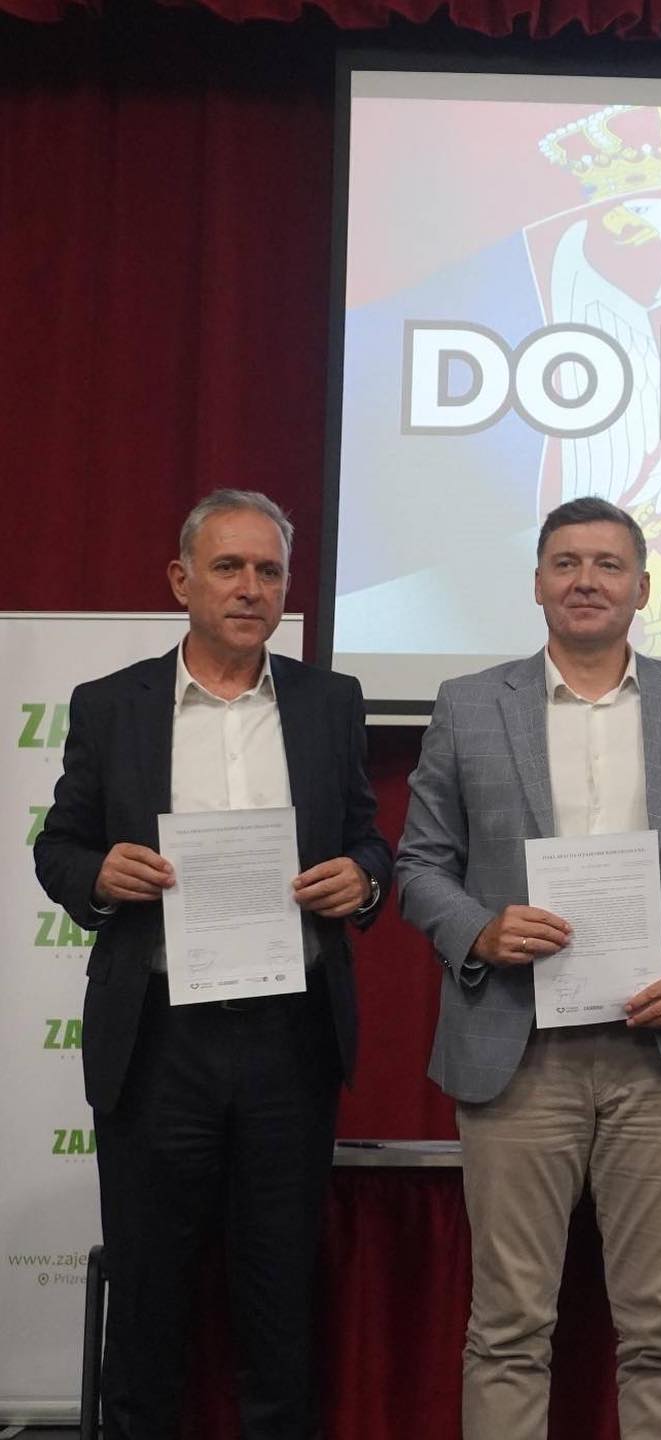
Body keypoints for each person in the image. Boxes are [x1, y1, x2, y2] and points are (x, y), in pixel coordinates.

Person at [393, 495, 661, 1440]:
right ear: (536, 584)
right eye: (566, 563)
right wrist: (480, 930)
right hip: (518, 1052)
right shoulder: (470, 704)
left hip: (660, 1053)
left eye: (607, 564)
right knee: (509, 1329)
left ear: (643, 586)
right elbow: (420, 865)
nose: (586, 581)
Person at [34, 489, 393, 1440]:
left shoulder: (329, 703)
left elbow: (368, 839)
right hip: (160, 1039)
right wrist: (98, 875)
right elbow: (59, 846)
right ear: (180, 580)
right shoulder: (112, 705)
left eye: (269, 571)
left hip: (289, 1035)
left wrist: (362, 878)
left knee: (280, 1293)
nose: (250, 588)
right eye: (229, 567)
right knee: (148, 1294)